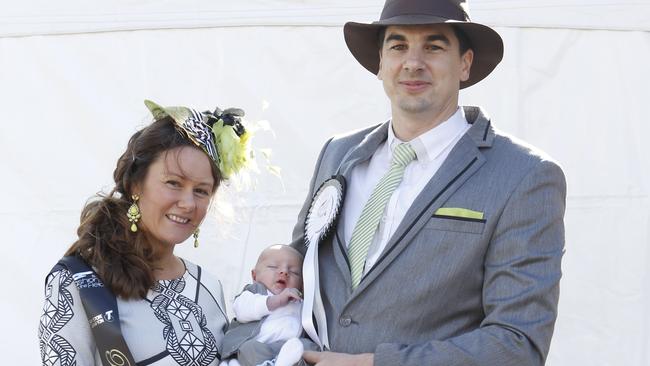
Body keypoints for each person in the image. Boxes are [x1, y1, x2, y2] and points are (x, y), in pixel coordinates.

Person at [291, 0, 566, 365]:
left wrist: (373, 364)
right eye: (398, 45)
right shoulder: (338, 153)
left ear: (465, 63)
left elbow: (517, 344)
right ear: (380, 62)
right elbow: (293, 271)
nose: (413, 63)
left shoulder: (525, 175)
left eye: (434, 47)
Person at [38, 99, 254, 366]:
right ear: (136, 184)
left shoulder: (208, 285)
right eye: (173, 183)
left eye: (201, 190)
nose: (188, 203)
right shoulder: (78, 281)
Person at [220, 245, 312, 366]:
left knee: (309, 347)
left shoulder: (300, 301)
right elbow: (241, 310)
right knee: (249, 348)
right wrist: (275, 300)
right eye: (273, 267)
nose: (284, 272)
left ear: (302, 285)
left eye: (294, 272)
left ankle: (280, 362)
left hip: (285, 348)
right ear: (254, 276)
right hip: (257, 345)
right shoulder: (255, 291)